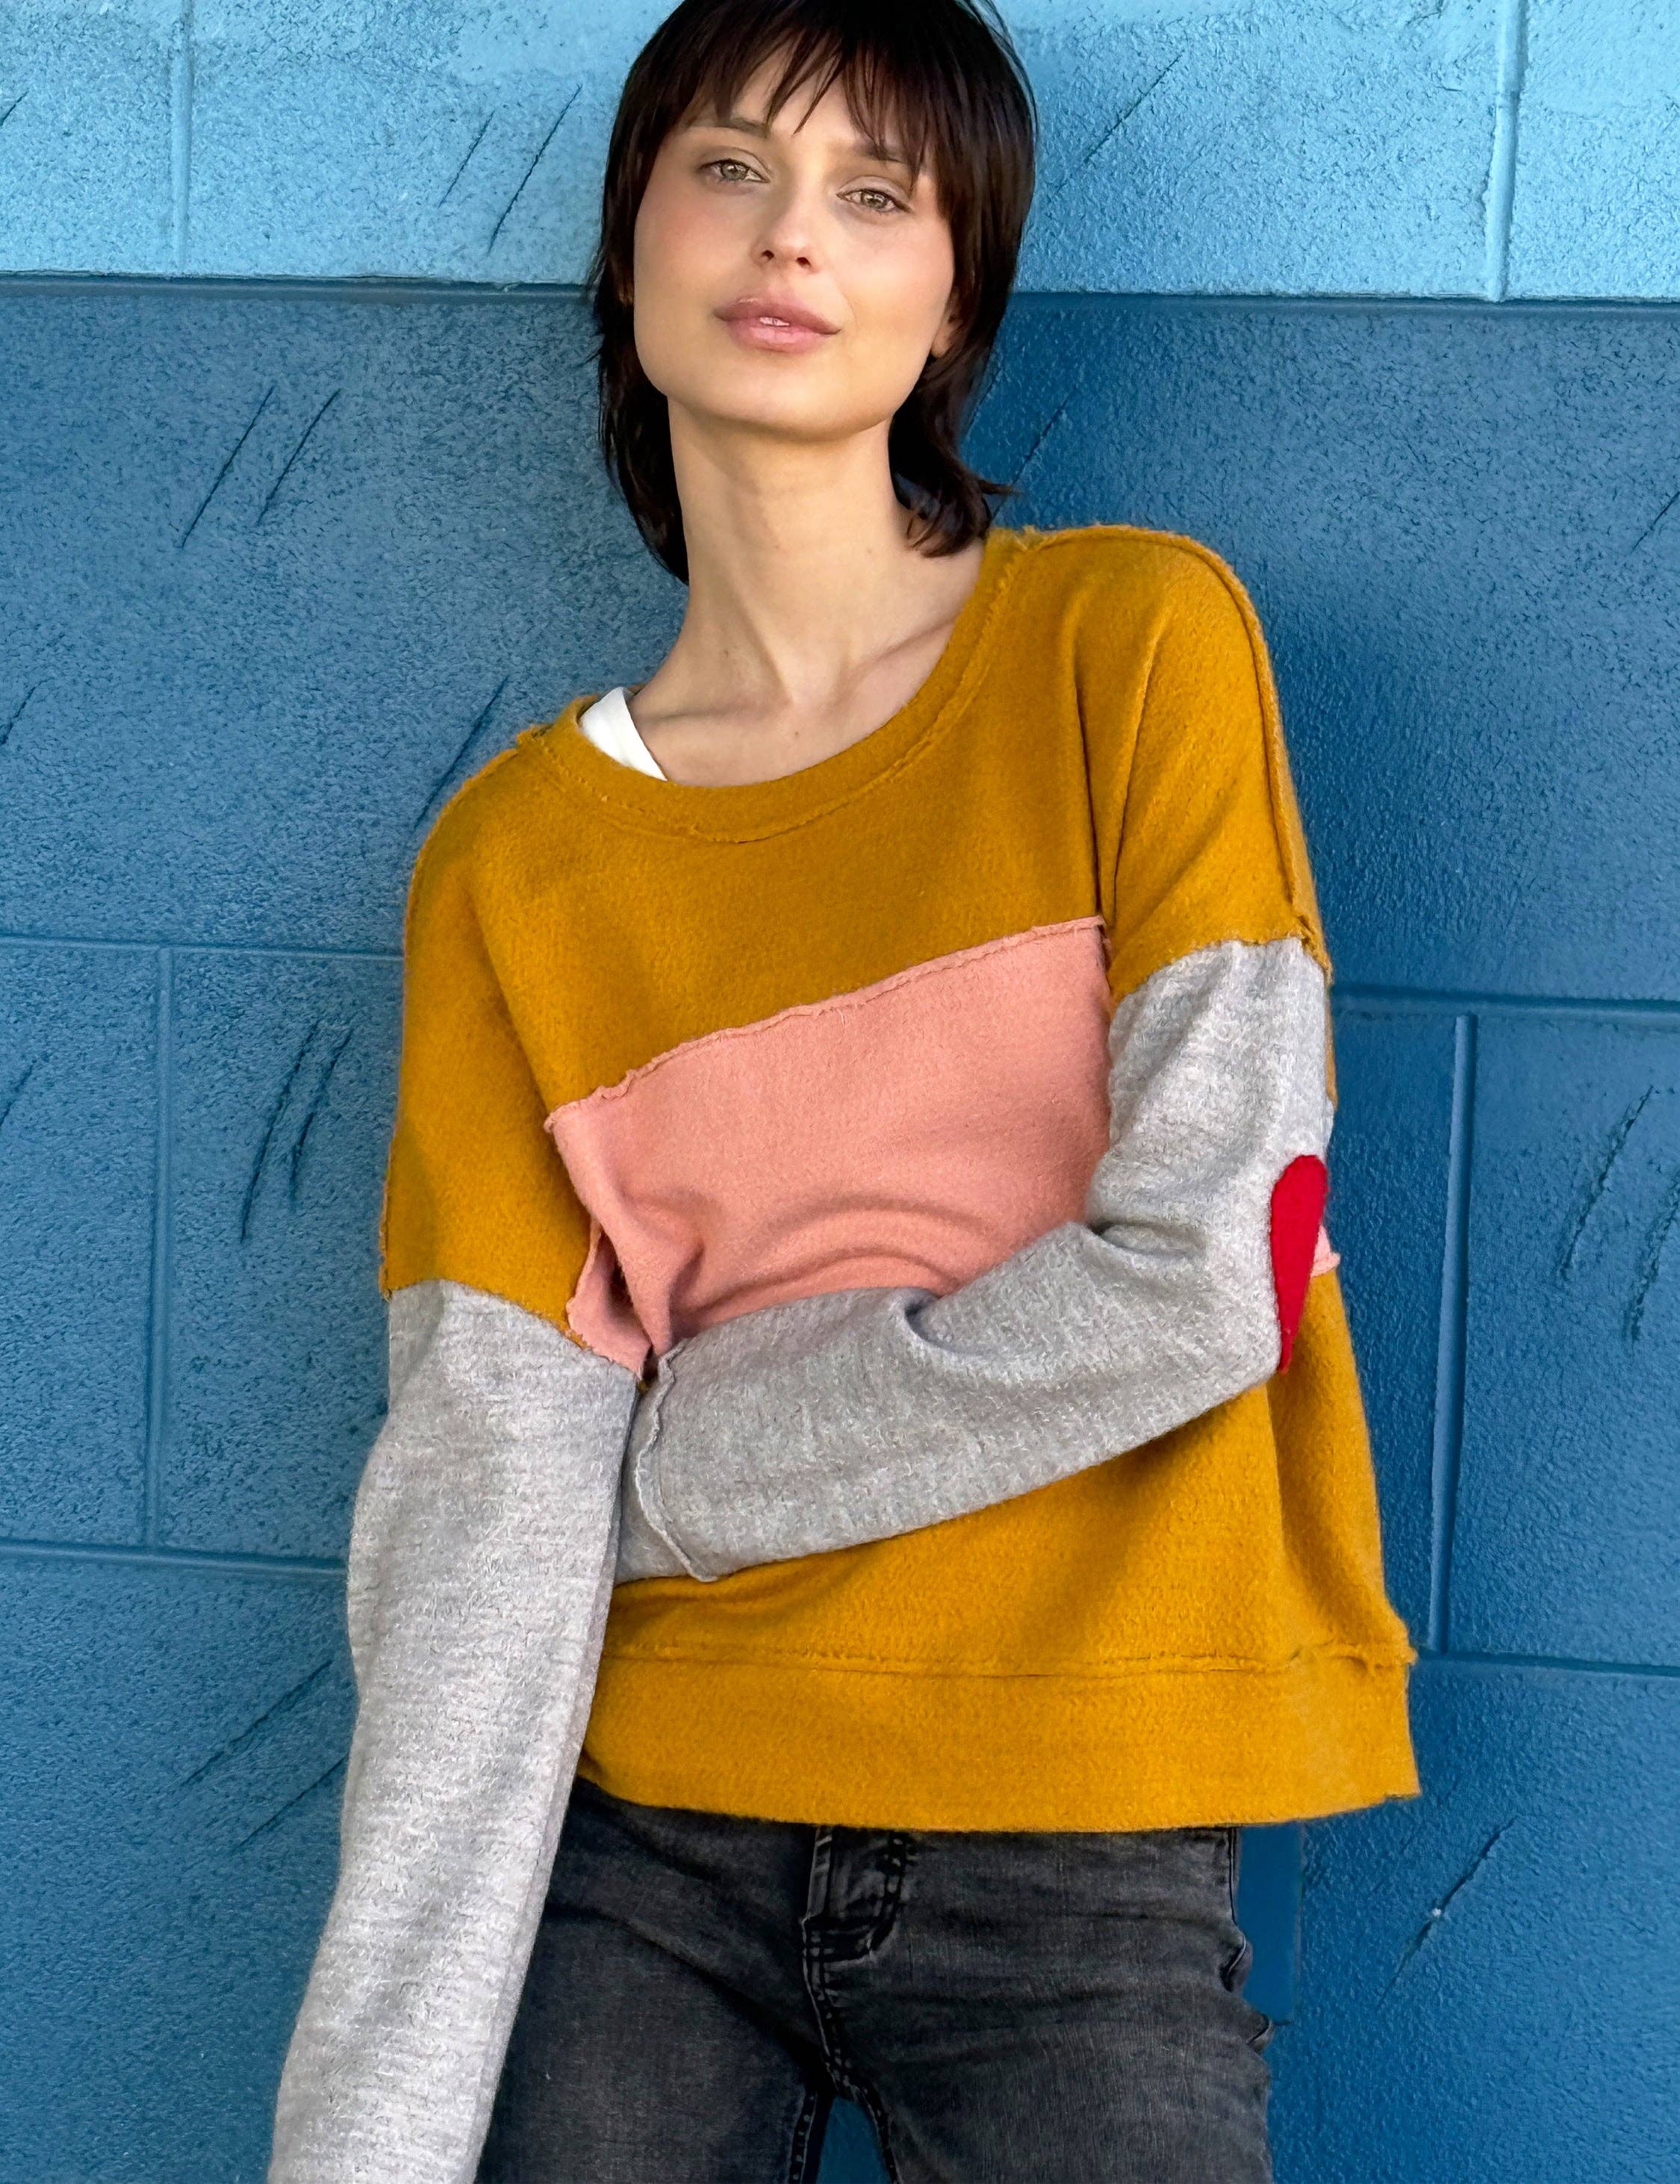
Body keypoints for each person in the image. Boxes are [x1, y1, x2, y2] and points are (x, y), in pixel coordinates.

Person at [267, 4, 1421, 2180]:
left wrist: (664, 1462)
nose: (789, 233)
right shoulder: (514, 864)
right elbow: (482, 1508)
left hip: (1078, 1830)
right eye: (730, 166)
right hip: (642, 1837)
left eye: (874, 193)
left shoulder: (1130, 646)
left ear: (953, 302)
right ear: (630, 248)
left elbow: (1215, 1269)